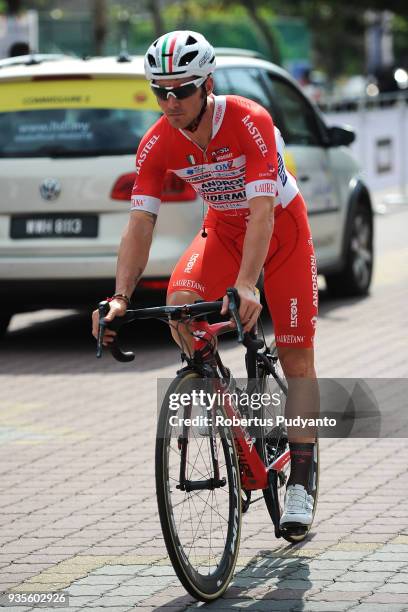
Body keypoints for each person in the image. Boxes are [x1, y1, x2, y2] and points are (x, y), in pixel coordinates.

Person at [92, 30, 318, 530]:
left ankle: (300, 476)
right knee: (179, 304)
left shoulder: (247, 119)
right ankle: (224, 404)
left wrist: (246, 284)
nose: (170, 102)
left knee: (299, 356)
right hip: (222, 229)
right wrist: (120, 297)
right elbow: (139, 223)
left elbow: (262, 213)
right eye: (160, 91)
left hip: (280, 232)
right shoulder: (155, 142)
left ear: (207, 84)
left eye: (182, 90)